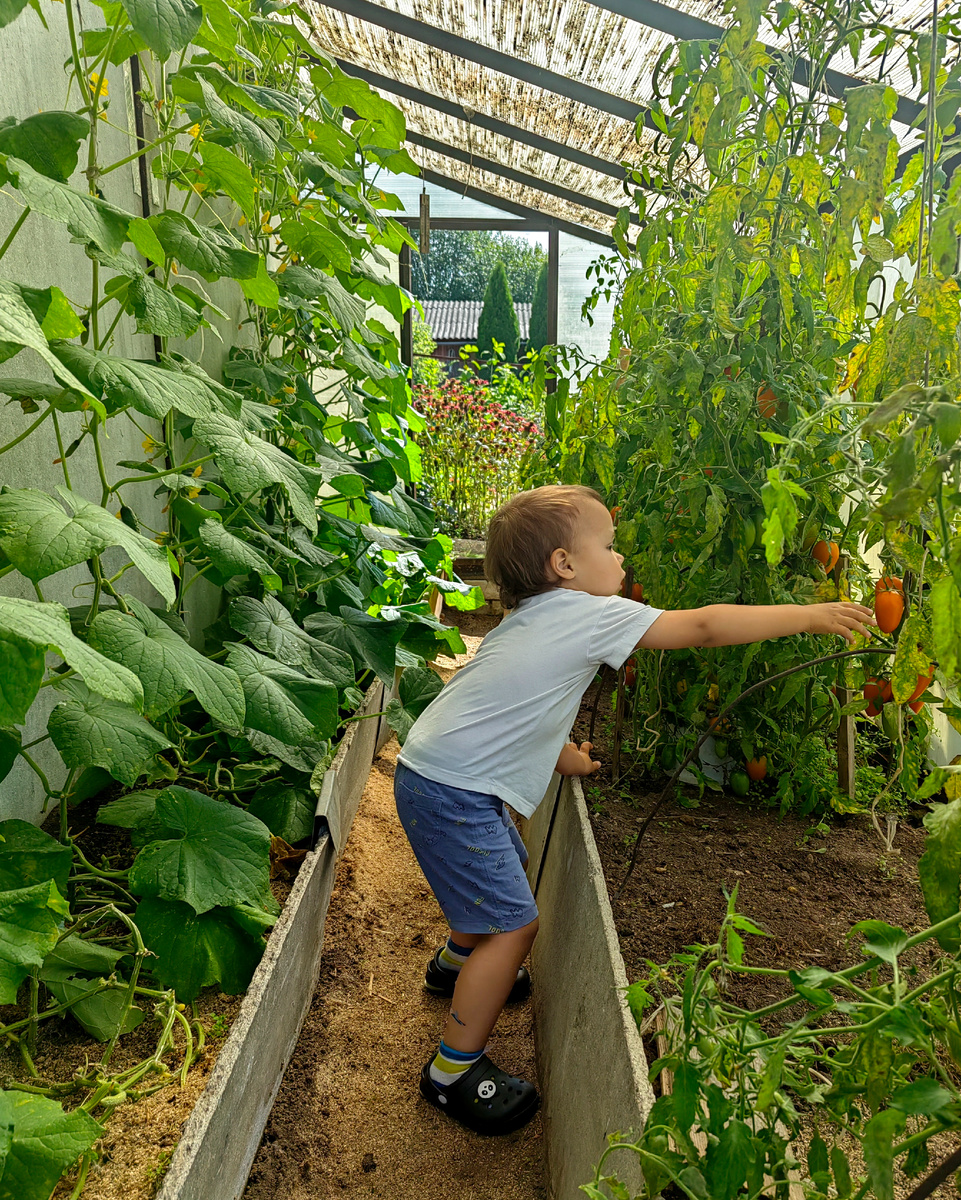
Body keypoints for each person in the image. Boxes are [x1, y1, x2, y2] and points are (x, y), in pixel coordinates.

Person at [394, 484, 875, 1135]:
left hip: (436, 772)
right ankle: (452, 1072)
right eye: (609, 547)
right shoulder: (590, 613)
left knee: (502, 868)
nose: (620, 562)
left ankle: (457, 964)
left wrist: (569, 759)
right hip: (455, 790)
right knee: (515, 925)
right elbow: (702, 626)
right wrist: (807, 614)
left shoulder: (531, 622)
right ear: (564, 565)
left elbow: (515, 707)